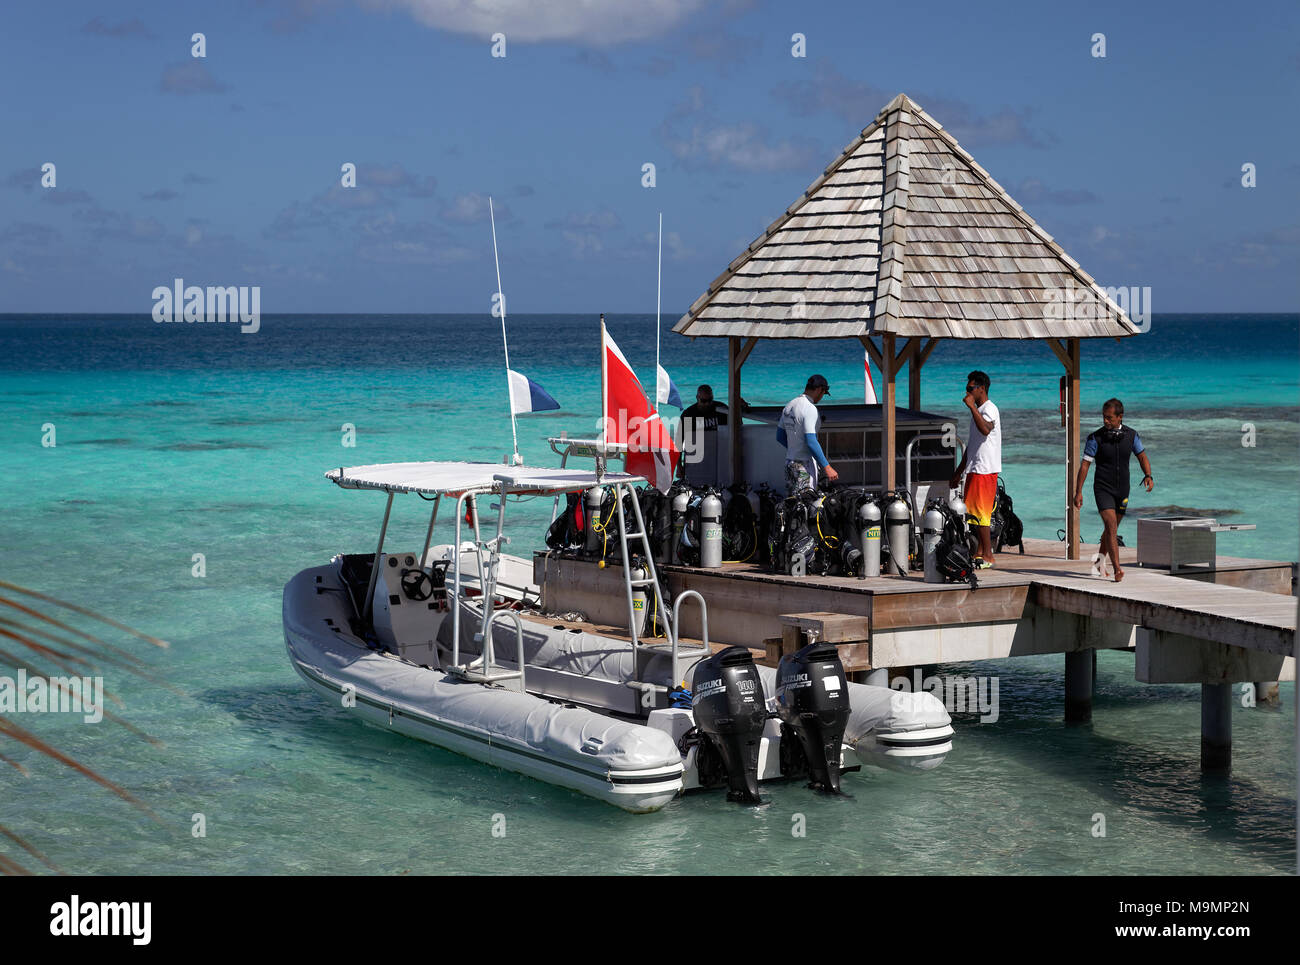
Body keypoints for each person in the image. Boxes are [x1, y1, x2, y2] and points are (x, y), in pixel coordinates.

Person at [1073, 398, 1153, 582]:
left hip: (1123, 489)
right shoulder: (1095, 438)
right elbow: (1084, 466)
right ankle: (1117, 569)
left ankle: (1098, 563)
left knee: (1110, 530)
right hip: (1103, 488)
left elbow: (1141, 456)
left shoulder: (1131, 435)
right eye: (1104, 417)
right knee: (1111, 527)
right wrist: (1079, 491)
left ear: (1120, 417)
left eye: (1109, 418)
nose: (1105, 421)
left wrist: (1148, 475)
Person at [948, 370, 1001, 569]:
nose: (967, 392)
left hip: (985, 469)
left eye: (971, 389)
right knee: (972, 513)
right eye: (967, 388)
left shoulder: (989, 409)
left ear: (982, 389)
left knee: (981, 514)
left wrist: (972, 408)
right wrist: (959, 471)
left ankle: (988, 555)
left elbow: (986, 429)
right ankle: (979, 551)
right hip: (975, 467)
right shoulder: (979, 411)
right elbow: (972, 446)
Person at [776, 374, 838, 495]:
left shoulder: (789, 406)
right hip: (804, 465)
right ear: (819, 390)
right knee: (807, 504)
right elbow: (811, 441)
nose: (821, 398)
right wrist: (827, 467)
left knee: (792, 504)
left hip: (790, 463)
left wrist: (795, 448)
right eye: (823, 394)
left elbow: (780, 436)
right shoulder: (809, 408)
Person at [676, 385, 729, 478]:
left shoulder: (722, 411)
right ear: (697, 398)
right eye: (704, 401)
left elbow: (738, 429)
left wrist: (738, 408)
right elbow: (679, 442)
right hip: (695, 460)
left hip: (718, 459)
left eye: (710, 400)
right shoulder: (689, 415)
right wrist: (679, 466)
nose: (707, 404)